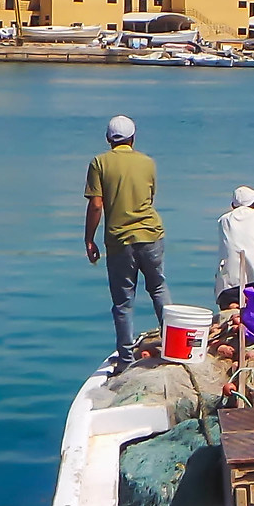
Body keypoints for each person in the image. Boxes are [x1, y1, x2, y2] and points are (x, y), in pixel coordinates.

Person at [83, 114, 167, 370]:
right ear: (133, 137)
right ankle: (173, 346)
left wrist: (89, 239)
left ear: (108, 138)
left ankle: (126, 360)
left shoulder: (99, 162)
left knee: (123, 303)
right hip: (151, 234)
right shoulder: (148, 162)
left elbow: (96, 204)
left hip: (119, 240)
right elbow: (149, 198)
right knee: (159, 289)